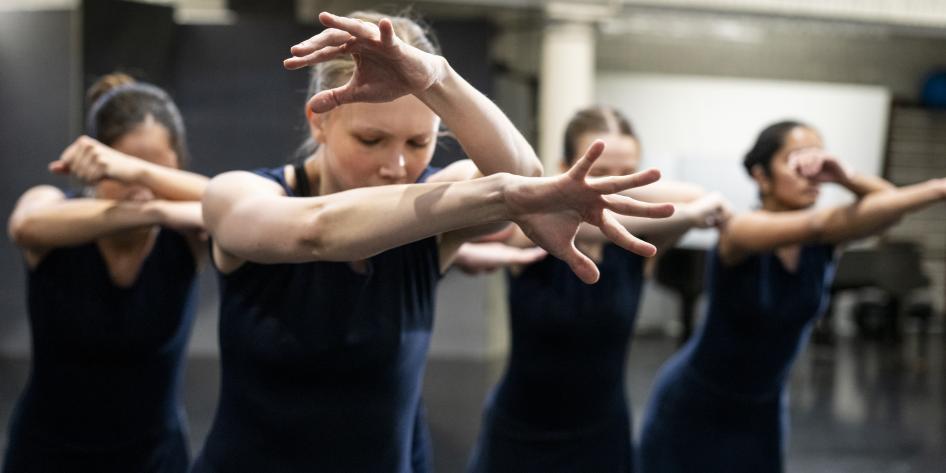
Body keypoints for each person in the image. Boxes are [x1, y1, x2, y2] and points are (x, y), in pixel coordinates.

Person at [190, 11, 674, 473]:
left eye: (418, 144)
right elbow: (317, 231)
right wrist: (501, 196)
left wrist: (438, 78)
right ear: (320, 120)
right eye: (371, 140)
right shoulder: (238, 194)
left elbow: (522, 174)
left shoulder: (433, 206)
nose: (397, 167)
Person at [638, 120, 946, 473]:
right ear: (761, 176)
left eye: (818, 158)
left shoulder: (826, 243)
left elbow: (891, 210)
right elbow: (820, 225)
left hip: (763, 412)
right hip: (694, 407)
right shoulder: (739, 229)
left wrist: (844, 175)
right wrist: (938, 188)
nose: (811, 171)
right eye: (796, 160)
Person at [466, 105, 731, 473]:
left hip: (602, 436)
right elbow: (690, 208)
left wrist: (633, 188)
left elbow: (693, 195)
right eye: (600, 174)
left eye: (627, 175)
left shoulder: (638, 246)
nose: (611, 188)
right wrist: (687, 217)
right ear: (564, 170)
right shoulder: (527, 231)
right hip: (521, 435)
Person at [4, 74, 208, 473]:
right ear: (96, 167)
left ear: (176, 169)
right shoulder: (51, 207)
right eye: (123, 174)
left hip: (154, 457)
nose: (140, 190)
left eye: (152, 174)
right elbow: (24, 225)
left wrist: (140, 179)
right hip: (49, 454)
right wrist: (151, 210)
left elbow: (232, 198)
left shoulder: (187, 236)